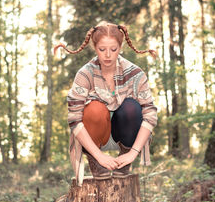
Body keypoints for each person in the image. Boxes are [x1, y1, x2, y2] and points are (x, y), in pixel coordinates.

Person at [54, 21, 158, 185]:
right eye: (102, 49)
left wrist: (133, 153)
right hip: (94, 138)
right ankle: (94, 162)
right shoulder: (85, 74)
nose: (108, 55)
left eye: (113, 49)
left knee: (131, 107)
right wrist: (99, 156)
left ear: (121, 47)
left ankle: (124, 161)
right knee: (94, 109)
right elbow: (74, 119)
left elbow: (150, 115)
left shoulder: (135, 73)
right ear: (95, 48)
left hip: (125, 136)